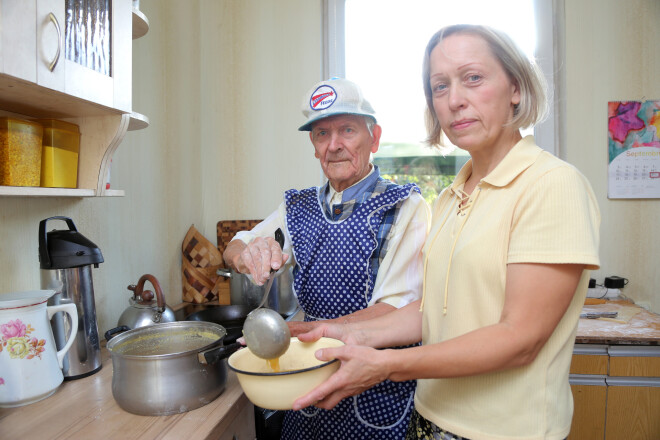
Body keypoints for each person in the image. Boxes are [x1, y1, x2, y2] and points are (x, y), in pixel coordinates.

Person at [292, 24, 601, 440]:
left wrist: (389, 366)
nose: (454, 100)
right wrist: (338, 331)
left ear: (515, 87)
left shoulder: (551, 184)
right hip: (429, 422)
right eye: (440, 87)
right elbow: (433, 311)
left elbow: (519, 338)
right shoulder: (452, 196)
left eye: (473, 78)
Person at [223, 78, 431, 439]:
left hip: (374, 391)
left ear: (374, 138)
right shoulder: (297, 207)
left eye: (347, 130)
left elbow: (395, 308)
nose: (334, 145)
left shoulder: (404, 207)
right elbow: (234, 246)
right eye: (322, 134)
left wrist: (310, 332)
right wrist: (248, 255)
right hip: (306, 379)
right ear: (313, 145)